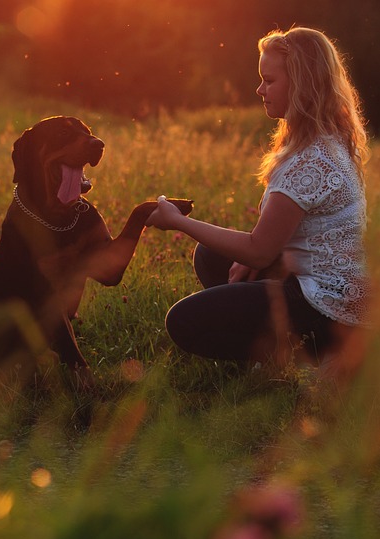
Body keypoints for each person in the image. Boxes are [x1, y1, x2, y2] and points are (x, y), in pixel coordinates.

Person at [146, 26, 370, 377]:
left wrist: (178, 221)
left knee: (183, 321)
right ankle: (286, 350)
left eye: (269, 80)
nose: (259, 89)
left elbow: (259, 250)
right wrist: (259, 255)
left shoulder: (311, 160)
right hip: (324, 283)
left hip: (328, 308)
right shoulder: (326, 140)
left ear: (301, 84)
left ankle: (308, 356)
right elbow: (281, 238)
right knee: (212, 255)